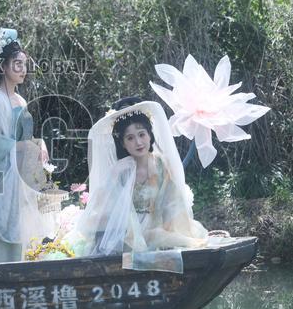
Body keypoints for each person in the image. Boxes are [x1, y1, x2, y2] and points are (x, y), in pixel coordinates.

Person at [68, 97, 206, 272]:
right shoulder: (120, 170)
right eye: (130, 138)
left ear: (150, 135)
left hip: (156, 230)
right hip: (125, 235)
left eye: (142, 134)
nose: (138, 142)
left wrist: (174, 230)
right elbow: (100, 210)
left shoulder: (161, 164)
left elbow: (172, 203)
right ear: (123, 144)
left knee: (174, 239)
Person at [0, 29, 57, 263]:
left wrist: (38, 144)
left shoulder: (20, 100)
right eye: (17, 64)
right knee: (2, 238)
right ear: (3, 67)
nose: (23, 69)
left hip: (20, 177)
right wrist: (26, 146)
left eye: (24, 64)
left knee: (25, 238)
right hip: (3, 177)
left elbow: (25, 138)